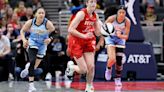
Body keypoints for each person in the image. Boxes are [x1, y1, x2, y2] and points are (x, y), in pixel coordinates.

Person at [66, 0, 101, 92]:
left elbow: (97, 33)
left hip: (88, 41)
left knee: (91, 66)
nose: (93, 3)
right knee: (83, 70)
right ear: (87, 3)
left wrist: (105, 30)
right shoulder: (81, 14)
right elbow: (70, 29)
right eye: (91, 1)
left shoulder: (95, 16)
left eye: (94, 1)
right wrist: (84, 36)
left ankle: (89, 86)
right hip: (76, 40)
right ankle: (72, 67)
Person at [20, 7, 55, 91]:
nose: (41, 14)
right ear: (35, 14)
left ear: (45, 14)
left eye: (43, 13)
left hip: (42, 45)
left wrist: (50, 39)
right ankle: (31, 86)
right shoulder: (30, 22)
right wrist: (24, 40)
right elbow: (22, 31)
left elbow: (54, 32)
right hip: (33, 42)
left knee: (34, 66)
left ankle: (27, 69)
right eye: (39, 13)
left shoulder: (47, 23)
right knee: (32, 61)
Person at [104, 5, 131, 86]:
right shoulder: (111, 19)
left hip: (120, 39)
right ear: (117, 13)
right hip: (110, 38)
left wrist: (120, 36)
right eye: (120, 12)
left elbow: (126, 36)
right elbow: (103, 30)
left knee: (119, 61)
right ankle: (108, 69)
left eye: (123, 13)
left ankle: (118, 78)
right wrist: (111, 32)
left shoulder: (127, 22)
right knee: (112, 59)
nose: (122, 14)